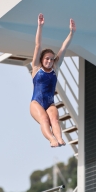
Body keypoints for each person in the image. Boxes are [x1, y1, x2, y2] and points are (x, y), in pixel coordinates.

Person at [30, 13, 76, 147]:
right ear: (42, 59)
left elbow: (63, 47)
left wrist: (71, 33)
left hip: (50, 103)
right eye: (47, 59)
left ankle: (59, 138)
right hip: (35, 103)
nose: (49, 61)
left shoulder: (55, 68)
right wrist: (40, 26)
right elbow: (38, 45)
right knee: (44, 119)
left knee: (55, 120)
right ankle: (52, 139)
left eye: (51, 59)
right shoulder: (36, 67)